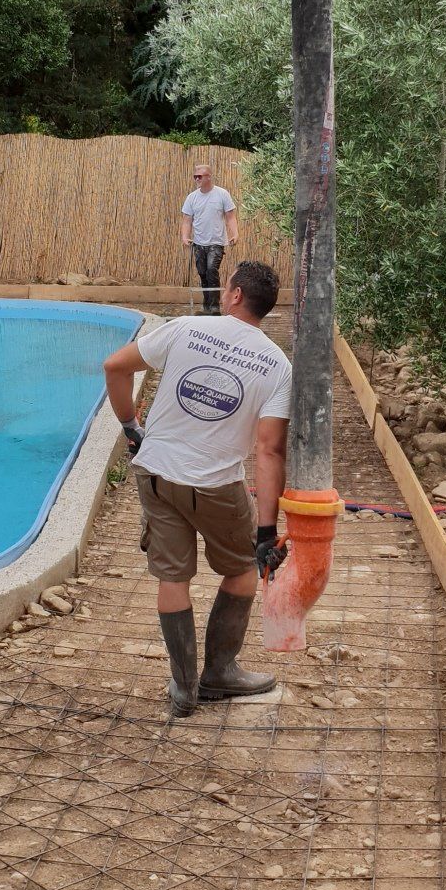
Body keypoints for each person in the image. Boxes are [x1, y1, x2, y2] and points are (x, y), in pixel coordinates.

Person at [103, 260, 291, 717]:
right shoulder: (278, 366)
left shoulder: (185, 328)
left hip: (157, 475)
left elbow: (114, 365)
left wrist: (131, 425)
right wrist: (267, 531)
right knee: (244, 569)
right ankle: (220, 673)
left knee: (173, 577)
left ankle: (183, 690)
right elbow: (269, 450)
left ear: (235, 295)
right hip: (217, 486)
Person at [181, 162, 238, 315]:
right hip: (199, 242)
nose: (197, 179)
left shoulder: (222, 194)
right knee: (202, 272)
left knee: (212, 270)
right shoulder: (192, 198)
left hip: (216, 242)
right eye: (195, 176)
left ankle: (214, 307)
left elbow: (230, 216)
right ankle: (207, 305)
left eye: (200, 176)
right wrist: (185, 236)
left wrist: (235, 233)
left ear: (209, 177)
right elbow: (187, 219)